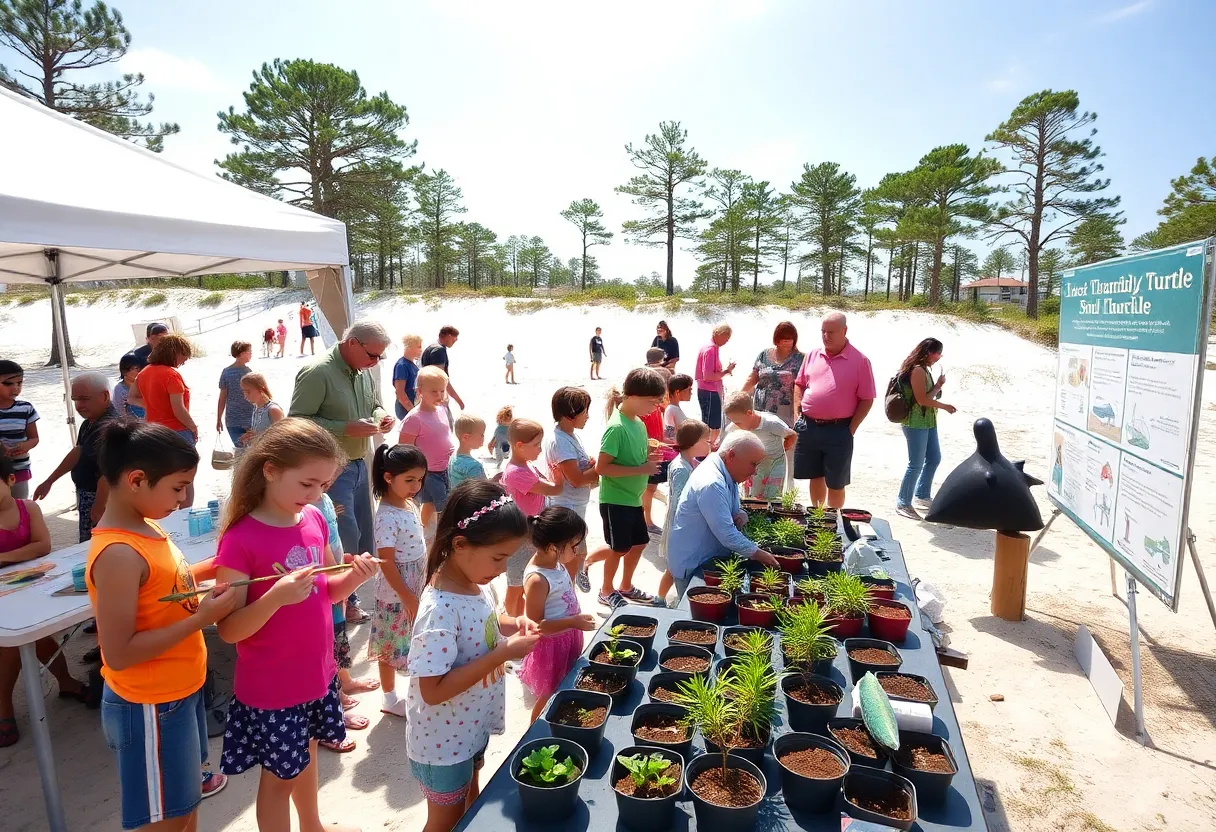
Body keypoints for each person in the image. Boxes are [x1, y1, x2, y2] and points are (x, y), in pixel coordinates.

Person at [214, 419, 378, 832]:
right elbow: (230, 630)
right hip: (273, 687)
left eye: (323, 485)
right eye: (307, 484)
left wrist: (356, 576)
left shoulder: (313, 521)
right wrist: (274, 598)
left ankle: (313, 826)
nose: (316, 495)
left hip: (317, 675)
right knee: (279, 779)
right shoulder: (240, 538)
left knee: (305, 759)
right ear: (269, 470)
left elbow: (327, 591)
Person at [86, 420, 238, 830]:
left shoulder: (146, 526)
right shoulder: (119, 552)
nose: (184, 497)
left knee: (184, 808)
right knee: (164, 821)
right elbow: (118, 653)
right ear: (136, 480)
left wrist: (217, 568)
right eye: (177, 487)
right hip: (150, 705)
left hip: (177, 692)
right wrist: (202, 619)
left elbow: (167, 583)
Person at [405, 480, 539, 832]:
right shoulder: (439, 609)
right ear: (460, 544)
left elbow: (488, 625)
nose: (503, 567)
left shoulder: (476, 583)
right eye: (498, 558)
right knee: (444, 822)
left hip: (469, 729)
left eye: (508, 558)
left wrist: (513, 623)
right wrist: (502, 655)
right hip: (443, 745)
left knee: (471, 801)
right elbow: (431, 691)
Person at [289, 319, 395, 619]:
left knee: (362, 535)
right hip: (330, 470)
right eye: (372, 355)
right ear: (352, 344)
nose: (375, 362)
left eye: (379, 358)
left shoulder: (361, 371)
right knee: (340, 536)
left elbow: (374, 404)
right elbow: (296, 421)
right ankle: (340, 603)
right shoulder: (317, 372)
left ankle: (348, 595)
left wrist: (382, 415)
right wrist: (344, 428)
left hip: (360, 463)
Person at [1, 453, 91, 749]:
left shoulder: (28, 508)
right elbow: (35, 548)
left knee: (39, 630)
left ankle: (64, 680)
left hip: (28, 586)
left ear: (11, 480)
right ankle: (3, 707)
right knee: (14, 639)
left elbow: (43, 546)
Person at [582, 369, 666, 609]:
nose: (656, 407)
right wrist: (642, 469)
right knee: (617, 548)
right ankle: (606, 590)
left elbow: (632, 458)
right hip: (616, 498)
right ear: (634, 396)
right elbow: (602, 467)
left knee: (639, 543)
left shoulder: (637, 422)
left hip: (633, 497)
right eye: (652, 402)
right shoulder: (617, 427)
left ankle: (626, 586)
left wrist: (648, 456)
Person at [668, 431, 780, 597]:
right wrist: (760, 554)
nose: (755, 472)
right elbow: (727, 534)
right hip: (694, 565)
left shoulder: (728, 472)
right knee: (696, 617)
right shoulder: (712, 482)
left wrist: (740, 513)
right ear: (731, 455)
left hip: (709, 560)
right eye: (753, 464)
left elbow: (731, 509)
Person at [519, 507, 597, 722]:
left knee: (566, 682)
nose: (577, 550)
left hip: (568, 635)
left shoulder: (556, 564)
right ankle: (534, 730)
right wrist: (573, 621)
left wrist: (574, 623)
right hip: (552, 647)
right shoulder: (537, 579)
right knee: (548, 693)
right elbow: (536, 625)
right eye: (573, 545)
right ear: (553, 547)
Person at [792, 312, 876, 509]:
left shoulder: (860, 361)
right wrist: (797, 416)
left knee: (836, 482)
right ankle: (818, 518)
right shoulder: (813, 355)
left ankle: (833, 519)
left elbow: (867, 399)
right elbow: (799, 384)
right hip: (809, 426)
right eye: (823, 331)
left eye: (831, 332)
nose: (826, 336)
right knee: (815, 475)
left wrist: (851, 429)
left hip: (840, 429)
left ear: (845, 331)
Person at [369, 444, 429, 719]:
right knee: (389, 646)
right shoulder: (386, 517)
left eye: (420, 479)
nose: (416, 486)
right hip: (396, 591)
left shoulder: (407, 503)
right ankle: (389, 697)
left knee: (413, 639)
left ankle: (414, 690)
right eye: (409, 480)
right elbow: (388, 563)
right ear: (388, 477)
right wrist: (406, 595)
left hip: (414, 584)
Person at [313, 490, 374, 749]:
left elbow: (331, 558)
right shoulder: (302, 510)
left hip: (333, 590)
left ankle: (342, 684)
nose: (320, 486)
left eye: (325, 482)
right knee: (325, 653)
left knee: (336, 642)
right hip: (316, 603)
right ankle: (331, 716)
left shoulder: (321, 503)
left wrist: (347, 576)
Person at [33, 372, 118, 541]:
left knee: (97, 546)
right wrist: (50, 481)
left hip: (102, 497)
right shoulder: (90, 422)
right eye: (75, 400)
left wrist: (99, 506)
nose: (79, 406)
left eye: (84, 399)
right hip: (87, 494)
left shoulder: (111, 427)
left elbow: (108, 473)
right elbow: (78, 451)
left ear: (105, 396)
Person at [500, 419, 564, 617]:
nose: (540, 449)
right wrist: (559, 474)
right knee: (516, 585)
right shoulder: (517, 473)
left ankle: (517, 620)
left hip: (528, 531)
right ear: (519, 446)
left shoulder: (526, 465)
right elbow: (555, 489)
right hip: (520, 533)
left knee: (522, 581)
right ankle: (510, 624)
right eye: (536, 445)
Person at [894, 337, 956, 520]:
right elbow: (922, 400)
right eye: (938, 353)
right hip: (915, 422)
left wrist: (938, 385)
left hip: (927, 421)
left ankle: (921, 495)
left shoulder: (925, 369)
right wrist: (944, 406)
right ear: (930, 352)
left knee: (934, 458)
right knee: (915, 464)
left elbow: (927, 396)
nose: (939, 357)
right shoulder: (918, 370)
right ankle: (903, 502)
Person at [543, 387, 597, 593]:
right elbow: (575, 479)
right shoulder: (561, 441)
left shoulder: (569, 436)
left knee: (577, 554)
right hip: (568, 507)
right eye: (585, 412)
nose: (588, 416)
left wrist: (589, 467)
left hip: (574, 506)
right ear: (570, 414)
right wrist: (599, 469)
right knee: (568, 563)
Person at [137, 335, 199, 507]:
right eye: (183, 355)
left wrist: (152, 405)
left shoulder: (145, 372)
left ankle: (167, 513)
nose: (184, 360)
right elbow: (178, 409)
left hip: (153, 432)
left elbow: (132, 397)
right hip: (176, 432)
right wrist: (193, 427)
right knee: (186, 478)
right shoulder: (171, 375)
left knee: (163, 478)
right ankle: (185, 515)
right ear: (174, 353)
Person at [657, 419, 711, 604]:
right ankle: (660, 599)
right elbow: (681, 502)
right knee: (674, 567)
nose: (710, 446)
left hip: (682, 524)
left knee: (673, 567)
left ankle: (660, 597)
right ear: (695, 443)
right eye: (707, 442)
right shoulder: (681, 468)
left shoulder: (689, 462)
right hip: (680, 525)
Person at [400, 366, 456, 535]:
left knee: (430, 502)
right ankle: (443, 538)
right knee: (444, 506)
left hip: (445, 468)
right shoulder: (414, 418)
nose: (439, 396)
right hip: (429, 472)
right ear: (420, 391)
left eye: (442, 391)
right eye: (434, 392)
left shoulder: (443, 410)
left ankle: (420, 529)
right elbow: (405, 449)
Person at [721, 391, 796, 501]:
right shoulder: (736, 426)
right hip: (754, 464)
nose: (735, 425)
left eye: (738, 422)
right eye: (732, 421)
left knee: (772, 496)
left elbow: (791, 435)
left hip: (774, 464)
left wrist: (786, 447)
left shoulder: (771, 423)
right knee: (752, 495)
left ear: (749, 413)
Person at [741, 320, 805, 427]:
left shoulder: (800, 359)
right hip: (761, 409)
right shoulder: (763, 355)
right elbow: (753, 377)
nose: (787, 341)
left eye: (790, 338)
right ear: (777, 339)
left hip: (785, 412)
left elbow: (803, 385)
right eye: (784, 338)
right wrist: (740, 395)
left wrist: (798, 413)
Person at [0, 360, 39, 500]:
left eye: (19, 383)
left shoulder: (25, 408)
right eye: (8, 383)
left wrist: (25, 446)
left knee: (19, 505)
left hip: (20, 469)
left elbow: (34, 438)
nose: (15, 388)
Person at [694, 323, 736, 444]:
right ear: (719, 334)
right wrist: (725, 372)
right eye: (726, 337)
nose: (727, 340)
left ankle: (705, 446)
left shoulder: (707, 347)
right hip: (710, 390)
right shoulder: (711, 349)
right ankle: (708, 447)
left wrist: (725, 371)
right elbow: (708, 376)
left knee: (706, 422)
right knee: (714, 426)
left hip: (704, 389)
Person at [420, 325, 466, 412]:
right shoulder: (439, 350)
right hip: (436, 397)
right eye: (455, 337)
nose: (456, 340)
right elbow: (440, 379)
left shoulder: (430, 347)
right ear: (449, 335)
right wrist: (459, 401)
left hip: (427, 394)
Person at [217, 341, 254, 448]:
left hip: (232, 419)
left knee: (241, 451)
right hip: (248, 418)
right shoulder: (249, 373)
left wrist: (219, 418)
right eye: (249, 352)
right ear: (241, 354)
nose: (251, 354)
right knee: (250, 452)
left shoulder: (226, 372)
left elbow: (222, 397)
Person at [239, 373, 285, 445]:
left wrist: (256, 437)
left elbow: (282, 438)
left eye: (248, 392)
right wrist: (249, 436)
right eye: (244, 392)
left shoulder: (273, 410)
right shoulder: (256, 408)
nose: (245, 396)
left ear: (261, 389)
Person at [448, 413, 488, 488]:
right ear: (466, 437)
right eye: (481, 434)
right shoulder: (475, 466)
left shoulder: (453, 456)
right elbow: (483, 491)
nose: (483, 438)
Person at [393, 334, 423, 421]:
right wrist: (413, 412)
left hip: (413, 406)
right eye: (418, 347)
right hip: (406, 409)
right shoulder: (402, 365)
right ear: (410, 347)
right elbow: (400, 393)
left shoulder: (412, 364)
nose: (421, 350)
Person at [663, 374, 693, 443]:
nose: (691, 393)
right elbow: (670, 435)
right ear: (677, 392)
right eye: (689, 390)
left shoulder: (675, 408)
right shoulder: (671, 410)